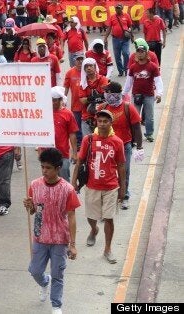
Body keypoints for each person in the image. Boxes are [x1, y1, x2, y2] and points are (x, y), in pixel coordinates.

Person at [24, 148, 80, 314]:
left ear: (58, 168)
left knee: (58, 274)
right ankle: (44, 282)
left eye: (48, 168)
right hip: (40, 237)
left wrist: (73, 244)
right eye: (42, 167)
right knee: (35, 271)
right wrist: (29, 207)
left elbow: (71, 217)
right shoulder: (34, 185)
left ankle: (56, 305)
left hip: (59, 239)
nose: (44, 171)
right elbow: (34, 211)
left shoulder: (68, 189)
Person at [71, 110, 126, 264]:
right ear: (96, 122)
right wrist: (73, 182)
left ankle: (108, 249)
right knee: (91, 216)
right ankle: (94, 229)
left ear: (111, 123)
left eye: (105, 121)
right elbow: (79, 162)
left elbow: (121, 166)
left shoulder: (117, 142)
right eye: (99, 121)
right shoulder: (89, 140)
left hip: (111, 187)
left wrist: (123, 188)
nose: (102, 124)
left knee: (109, 218)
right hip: (92, 185)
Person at [97, 82, 143, 210]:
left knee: (124, 172)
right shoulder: (103, 107)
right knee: (106, 172)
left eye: (108, 92)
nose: (106, 94)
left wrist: (139, 147)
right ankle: (108, 198)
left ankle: (124, 197)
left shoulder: (128, 108)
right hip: (107, 147)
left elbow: (137, 128)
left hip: (124, 146)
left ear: (115, 94)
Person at [123, 44, 164, 144]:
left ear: (146, 53)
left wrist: (159, 94)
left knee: (149, 117)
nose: (140, 54)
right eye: (138, 51)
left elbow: (158, 81)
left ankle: (149, 134)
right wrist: (123, 94)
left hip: (149, 95)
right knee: (134, 117)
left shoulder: (153, 66)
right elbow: (129, 81)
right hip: (136, 95)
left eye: (142, 51)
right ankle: (134, 136)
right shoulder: (133, 67)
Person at [48, 86, 79, 182]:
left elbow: (72, 134)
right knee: (49, 179)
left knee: (64, 179)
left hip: (62, 153)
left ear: (60, 99)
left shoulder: (68, 114)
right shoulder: (44, 113)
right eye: (51, 100)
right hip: (47, 153)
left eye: (55, 100)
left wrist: (74, 153)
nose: (53, 103)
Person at [78, 57, 109, 137]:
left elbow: (106, 96)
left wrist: (89, 98)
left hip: (102, 116)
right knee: (87, 142)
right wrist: (96, 98)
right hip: (87, 117)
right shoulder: (83, 83)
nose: (88, 68)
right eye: (86, 66)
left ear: (95, 67)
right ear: (84, 69)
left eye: (90, 66)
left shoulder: (103, 79)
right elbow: (82, 101)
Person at [103, 4, 133, 77]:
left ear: (122, 8)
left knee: (126, 53)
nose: (117, 9)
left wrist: (130, 34)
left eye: (119, 8)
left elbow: (130, 26)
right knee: (117, 56)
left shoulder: (126, 16)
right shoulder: (112, 17)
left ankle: (126, 69)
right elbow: (109, 28)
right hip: (115, 39)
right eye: (116, 8)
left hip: (125, 39)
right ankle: (120, 71)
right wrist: (105, 37)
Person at [63, 54, 86, 147]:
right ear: (74, 61)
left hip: (86, 105)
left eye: (82, 59)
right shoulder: (70, 73)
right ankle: (79, 143)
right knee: (76, 126)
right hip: (75, 105)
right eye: (78, 60)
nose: (80, 62)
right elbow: (66, 87)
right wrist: (63, 99)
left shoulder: (87, 71)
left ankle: (86, 143)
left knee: (86, 125)